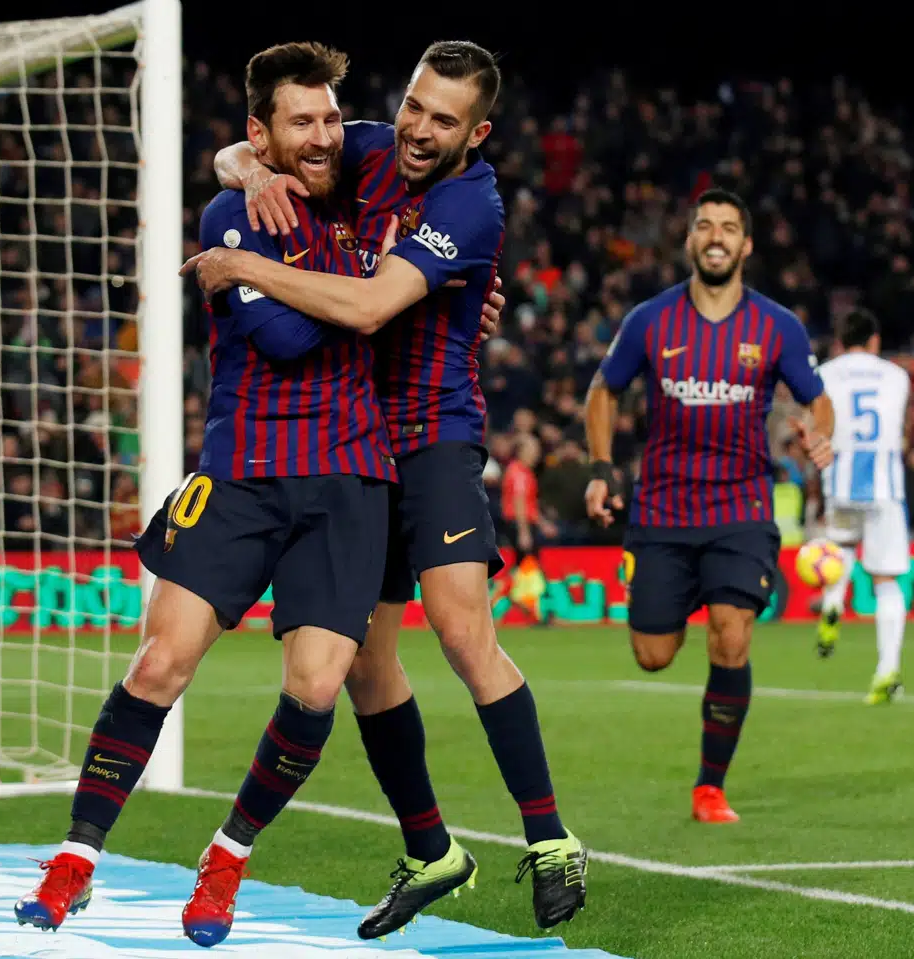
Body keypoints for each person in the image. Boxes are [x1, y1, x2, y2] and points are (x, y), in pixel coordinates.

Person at [188, 40, 586, 935]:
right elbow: (254, 148)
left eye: (444, 119)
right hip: (355, 444)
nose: (418, 129)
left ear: (475, 133)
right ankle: (431, 848)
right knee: (366, 662)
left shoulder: (467, 203)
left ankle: (550, 838)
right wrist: (249, 168)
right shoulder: (368, 143)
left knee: (461, 627)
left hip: (433, 433)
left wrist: (242, 264)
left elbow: (370, 308)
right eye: (413, 105)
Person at [15, 43, 398, 947]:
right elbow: (287, 341)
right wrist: (376, 293)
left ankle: (227, 856)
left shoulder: (369, 174)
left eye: (330, 118)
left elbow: (429, 160)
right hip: (242, 471)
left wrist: (319, 281)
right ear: (261, 134)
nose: (323, 137)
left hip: (349, 478)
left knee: (316, 688)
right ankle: (75, 858)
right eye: (300, 122)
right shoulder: (234, 209)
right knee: (160, 663)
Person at [583, 187, 835, 824]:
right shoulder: (650, 320)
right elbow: (603, 391)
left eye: (728, 226)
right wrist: (602, 468)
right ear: (691, 240)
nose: (716, 235)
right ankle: (686, 592)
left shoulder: (777, 325)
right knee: (653, 655)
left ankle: (710, 789)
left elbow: (817, 397)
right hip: (663, 511)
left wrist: (820, 435)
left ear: (746, 245)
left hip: (740, 509)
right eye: (705, 225)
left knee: (732, 633)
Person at [815, 309, 911, 705]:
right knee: (885, 581)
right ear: (874, 340)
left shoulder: (824, 373)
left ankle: (833, 601)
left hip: (840, 480)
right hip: (884, 486)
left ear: (840, 342)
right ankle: (887, 670)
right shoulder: (897, 376)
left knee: (842, 548)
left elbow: (817, 424)